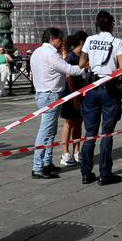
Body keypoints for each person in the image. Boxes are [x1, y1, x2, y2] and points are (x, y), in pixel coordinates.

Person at [30, 27, 85, 179]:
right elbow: (68, 69)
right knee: (46, 131)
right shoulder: (51, 53)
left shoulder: (37, 52)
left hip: (43, 93)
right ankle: (38, 167)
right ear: (52, 38)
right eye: (60, 39)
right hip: (50, 94)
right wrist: (85, 68)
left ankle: (47, 162)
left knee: (51, 131)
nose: (61, 43)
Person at [79, 11, 122, 185]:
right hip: (109, 88)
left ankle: (86, 173)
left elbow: (81, 64)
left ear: (97, 24)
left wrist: (95, 62)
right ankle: (105, 173)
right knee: (107, 133)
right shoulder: (117, 42)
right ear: (112, 24)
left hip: (91, 88)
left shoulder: (90, 40)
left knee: (90, 133)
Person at [60, 31, 88, 167]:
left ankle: (77, 150)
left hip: (82, 93)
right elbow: (69, 78)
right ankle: (65, 153)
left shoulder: (82, 57)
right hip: (71, 93)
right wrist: (74, 97)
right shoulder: (70, 58)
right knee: (69, 122)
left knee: (78, 122)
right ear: (82, 42)